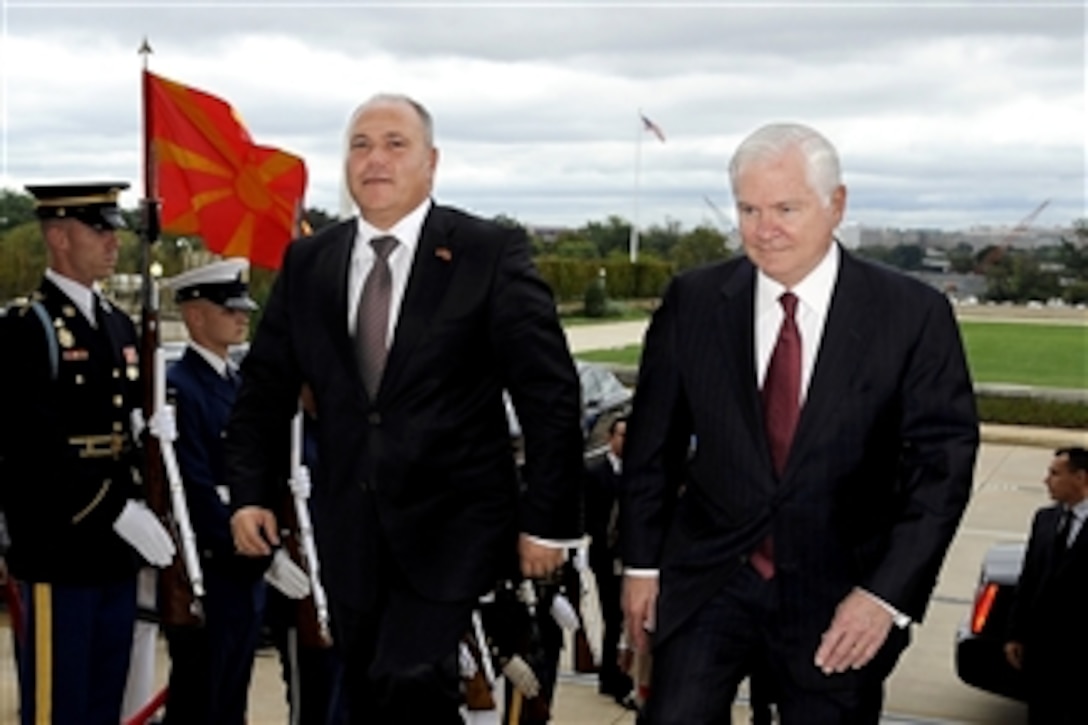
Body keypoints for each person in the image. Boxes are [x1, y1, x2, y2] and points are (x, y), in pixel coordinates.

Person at [225, 93, 585, 724]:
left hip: (457, 528)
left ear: (431, 162)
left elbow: (548, 393)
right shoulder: (311, 262)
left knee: (408, 675)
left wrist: (548, 521)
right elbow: (264, 387)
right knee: (369, 688)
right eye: (360, 145)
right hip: (351, 531)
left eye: (395, 144)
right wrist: (250, 491)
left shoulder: (487, 253)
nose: (375, 160)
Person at [621, 123, 979, 724]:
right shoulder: (694, 301)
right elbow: (651, 447)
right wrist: (641, 566)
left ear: (836, 204)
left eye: (786, 207)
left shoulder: (911, 314)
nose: (765, 229)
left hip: (843, 592)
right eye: (749, 209)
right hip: (711, 580)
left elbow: (941, 471)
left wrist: (885, 597)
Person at [0, 182, 175, 724]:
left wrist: (152, 432)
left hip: (114, 552)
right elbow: (30, 446)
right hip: (61, 544)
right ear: (58, 236)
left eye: (114, 229)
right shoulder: (29, 328)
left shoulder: (118, 323)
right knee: (59, 705)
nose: (113, 240)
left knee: (105, 701)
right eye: (98, 229)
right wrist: (116, 509)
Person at [157, 258, 307, 724]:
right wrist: (263, 553)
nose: (243, 317)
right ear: (196, 315)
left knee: (230, 695)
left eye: (244, 309)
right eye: (230, 310)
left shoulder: (236, 383)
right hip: (213, 566)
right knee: (202, 695)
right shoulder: (180, 388)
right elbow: (196, 488)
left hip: (244, 570)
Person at [1004, 446, 1088, 725]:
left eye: (1055, 473)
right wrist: (1015, 634)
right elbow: (1027, 579)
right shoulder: (1045, 520)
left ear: (1081, 478)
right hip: (1042, 654)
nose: (1046, 480)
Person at [584, 416, 636, 708]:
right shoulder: (594, 472)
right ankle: (612, 675)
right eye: (622, 435)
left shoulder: (637, 474)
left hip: (629, 556)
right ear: (610, 438)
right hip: (606, 556)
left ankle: (613, 672)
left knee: (624, 618)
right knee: (613, 616)